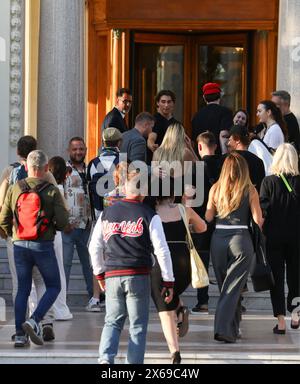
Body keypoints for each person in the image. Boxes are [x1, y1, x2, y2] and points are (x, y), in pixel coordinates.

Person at [89, 173, 175, 364]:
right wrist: (168, 280)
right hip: (137, 274)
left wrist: (100, 273)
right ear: (144, 193)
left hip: (112, 274)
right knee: (137, 325)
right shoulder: (149, 215)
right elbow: (162, 250)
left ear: (125, 189)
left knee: (112, 321)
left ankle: (105, 360)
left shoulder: (107, 213)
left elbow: (94, 246)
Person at [0, 150, 69, 347]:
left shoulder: (15, 189)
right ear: (46, 168)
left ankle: (20, 334)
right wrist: (51, 228)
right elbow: (63, 222)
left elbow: (3, 218)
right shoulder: (52, 190)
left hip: (20, 245)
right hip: (43, 246)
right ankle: (36, 318)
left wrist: (12, 234)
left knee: (22, 289)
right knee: (53, 285)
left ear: (27, 167)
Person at [206, 152, 263, 343]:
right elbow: (258, 220)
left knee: (228, 286)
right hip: (241, 239)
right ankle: (223, 330)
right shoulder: (250, 189)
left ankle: (234, 326)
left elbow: (208, 217)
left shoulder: (215, 188)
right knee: (232, 287)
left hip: (218, 239)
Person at [151, 192, 206, 363]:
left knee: (165, 307)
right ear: (173, 196)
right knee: (172, 294)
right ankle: (180, 310)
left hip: (162, 263)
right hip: (184, 263)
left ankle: (175, 351)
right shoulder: (184, 210)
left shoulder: (151, 212)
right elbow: (203, 227)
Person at [260, 143, 300, 333]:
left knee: (276, 278)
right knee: (295, 278)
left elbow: (263, 212)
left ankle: (281, 321)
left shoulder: (268, 182)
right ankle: (296, 315)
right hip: (297, 238)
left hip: (274, 238)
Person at [63, 137, 101, 312]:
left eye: (81, 149)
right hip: (67, 227)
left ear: (85, 150)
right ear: (69, 151)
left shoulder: (91, 168)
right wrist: (62, 221)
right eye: (74, 149)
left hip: (87, 225)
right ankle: (60, 301)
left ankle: (94, 298)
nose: (78, 152)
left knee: (90, 263)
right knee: (65, 264)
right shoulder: (62, 169)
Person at [190, 131, 224, 315]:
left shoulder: (194, 169)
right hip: (223, 219)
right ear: (216, 146)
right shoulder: (225, 165)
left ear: (200, 146)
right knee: (223, 262)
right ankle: (231, 300)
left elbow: (189, 195)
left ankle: (202, 301)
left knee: (201, 261)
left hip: (201, 220)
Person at [87, 127, 123, 219]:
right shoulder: (125, 162)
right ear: (119, 143)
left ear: (103, 142)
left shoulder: (92, 164)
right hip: (120, 215)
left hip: (99, 215)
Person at [192, 82, 233, 155]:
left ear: (204, 97)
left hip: (200, 157)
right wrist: (225, 156)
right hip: (218, 156)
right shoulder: (226, 112)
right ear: (220, 96)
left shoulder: (196, 116)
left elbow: (194, 140)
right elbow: (224, 134)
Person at [227, 125, 265, 192]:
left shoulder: (228, 159)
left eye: (230, 140)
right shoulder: (258, 161)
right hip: (252, 200)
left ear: (237, 140)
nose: (228, 143)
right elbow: (260, 188)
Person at [147, 90, 178, 156]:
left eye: (169, 102)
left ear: (173, 103)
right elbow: (151, 137)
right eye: (163, 102)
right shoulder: (154, 120)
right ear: (158, 103)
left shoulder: (177, 124)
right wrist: (151, 145)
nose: (166, 105)